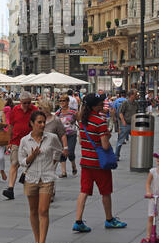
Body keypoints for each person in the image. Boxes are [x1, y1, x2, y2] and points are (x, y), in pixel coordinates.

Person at [73, 93, 127, 232]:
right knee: (106, 192)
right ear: (94, 106)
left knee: (83, 191)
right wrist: (107, 138)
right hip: (99, 163)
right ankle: (109, 219)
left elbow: (81, 141)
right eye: (100, 104)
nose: (102, 105)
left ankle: (78, 221)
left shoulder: (82, 121)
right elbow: (104, 146)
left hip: (86, 162)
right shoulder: (100, 121)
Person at [18, 110, 62, 243]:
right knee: (33, 210)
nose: (42, 125)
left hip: (47, 178)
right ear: (32, 123)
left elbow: (59, 151)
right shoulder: (25, 140)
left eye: (44, 122)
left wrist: (53, 163)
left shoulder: (52, 137)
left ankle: (42, 242)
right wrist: (32, 156)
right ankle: (37, 239)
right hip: (31, 178)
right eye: (39, 122)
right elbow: (21, 161)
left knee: (43, 210)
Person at [2, 91, 38, 200]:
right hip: (16, 141)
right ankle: (10, 188)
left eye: (29, 103)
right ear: (21, 102)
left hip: (30, 140)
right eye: (25, 103)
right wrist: (9, 141)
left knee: (31, 162)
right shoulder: (15, 110)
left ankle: (26, 175)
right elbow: (11, 126)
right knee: (14, 163)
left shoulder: (35, 110)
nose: (27, 105)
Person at [39, 99, 68, 200]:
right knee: (42, 171)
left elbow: (63, 134)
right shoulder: (38, 120)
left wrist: (65, 148)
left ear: (47, 109)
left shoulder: (55, 120)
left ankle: (50, 192)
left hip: (53, 151)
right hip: (41, 150)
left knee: (50, 171)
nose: (39, 110)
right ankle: (46, 190)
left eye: (41, 108)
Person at [55, 93, 79, 178]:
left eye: (63, 101)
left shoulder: (73, 111)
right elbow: (55, 123)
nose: (61, 102)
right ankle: (64, 172)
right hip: (61, 135)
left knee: (71, 152)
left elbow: (79, 121)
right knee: (62, 152)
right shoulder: (58, 112)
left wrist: (81, 135)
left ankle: (73, 165)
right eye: (60, 101)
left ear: (68, 101)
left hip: (71, 134)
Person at [115, 89, 139, 161]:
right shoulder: (125, 102)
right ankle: (116, 155)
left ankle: (136, 155)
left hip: (133, 124)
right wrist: (123, 122)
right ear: (131, 95)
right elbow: (120, 113)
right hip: (126, 124)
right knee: (120, 141)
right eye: (135, 94)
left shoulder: (136, 103)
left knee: (137, 140)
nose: (136, 96)